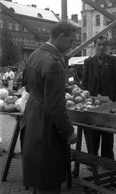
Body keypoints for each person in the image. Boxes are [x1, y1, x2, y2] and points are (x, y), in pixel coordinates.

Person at [21, 22, 77, 194]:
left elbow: (29, 87)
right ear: (60, 36)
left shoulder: (35, 54)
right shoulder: (54, 64)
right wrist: (69, 132)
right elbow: (57, 107)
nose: (71, 46)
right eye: (70, 41)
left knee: (39, 177)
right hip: (46, 127)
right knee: (50, 179)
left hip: (32, 118)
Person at [82, 34, 116, 160]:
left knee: (107, 133)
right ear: (95, 46)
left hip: (108, 104)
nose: (102, 47)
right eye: (99, 44)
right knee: (92, 132)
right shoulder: (88, 62)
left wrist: (115, 103)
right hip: (92, 103)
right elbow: (85, 82)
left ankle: (107, 160)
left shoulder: (113, 60)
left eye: (104, 44)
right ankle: (93, 160)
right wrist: (85, 99)